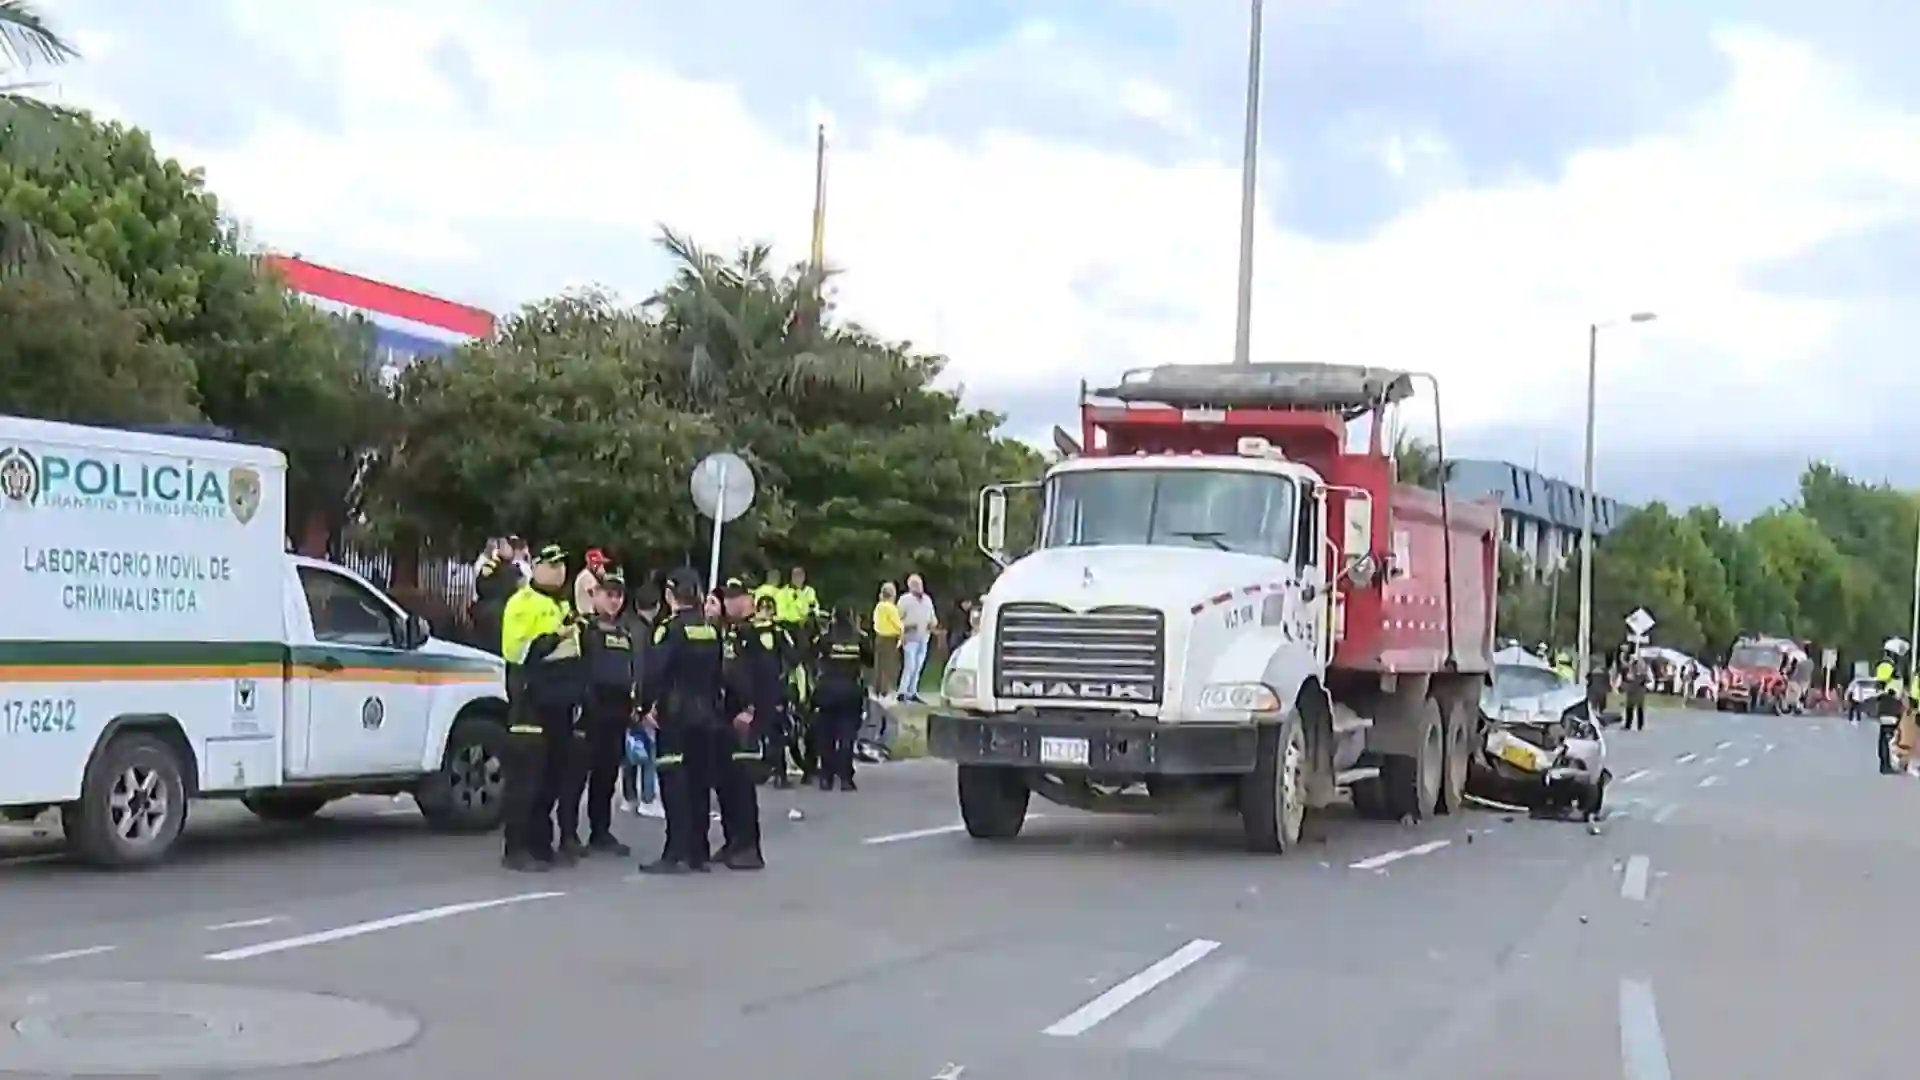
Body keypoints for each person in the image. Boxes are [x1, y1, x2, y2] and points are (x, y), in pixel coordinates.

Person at [498, 545, 587, 872]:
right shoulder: (522, 603)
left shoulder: (560, 605)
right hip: (530, 703)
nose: (560, 570)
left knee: (553, 778)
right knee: (527, 779)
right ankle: (517, 847)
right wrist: (554, 637)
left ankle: (541, 842)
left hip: (560, 704)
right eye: (552, 564)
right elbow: (518, 651)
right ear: (535, 568)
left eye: (563, 564)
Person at [638, 569, 726, 874]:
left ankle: (674, 852)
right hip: (707, 715)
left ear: (670, 595)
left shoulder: (669, 630)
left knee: (674, 782)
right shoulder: (711, 629)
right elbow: (718, 673)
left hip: (675, 716)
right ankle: (698, 852)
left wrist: (644, 706)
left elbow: (655, 672)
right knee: (699, 783)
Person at [558, 568, 636, 858]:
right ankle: (568, 834)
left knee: (605, 777)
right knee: (575, 777)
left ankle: (600, 832)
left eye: (618, 596)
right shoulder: (582, 629)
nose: (614, 601)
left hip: (616, 713)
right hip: (588, 713)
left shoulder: (623, 632)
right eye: (609, 594)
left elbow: (629, 671)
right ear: (595, 595)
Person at [717, 580, 777, 869]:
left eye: (736, 598)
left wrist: (753, 710)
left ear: (748, 599)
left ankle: (749, 847)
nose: (730, 603)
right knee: (727, 782)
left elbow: (766, 677)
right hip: (728, 715)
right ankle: (732, 841)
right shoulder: (732, 632)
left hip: (748, 717)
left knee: (743, 784)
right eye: (727, 598)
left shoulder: (758, 633)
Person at [619, 580, 665, 817]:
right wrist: (642, 704)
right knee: (648, 748)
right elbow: (642, 669)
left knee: (631, 747)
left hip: (624, 695)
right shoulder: (646, 633)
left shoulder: (626, 626)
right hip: (639, 698)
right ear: (657, 606)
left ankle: (630, 797)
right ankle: (648, 798)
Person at [813, 608, 873, 791]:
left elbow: (812, 653)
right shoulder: (859, 638)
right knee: (847, 736)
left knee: (827, 736)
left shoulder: (826, 637)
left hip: (828, 690)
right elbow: (869, 660)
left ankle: (826, 777)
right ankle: (846, 778)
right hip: (851, 690)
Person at [897, 573, 938, 702]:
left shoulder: (927, 599)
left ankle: (912, 691)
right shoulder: (904, 600)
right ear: (910, 586)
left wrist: (933, 623)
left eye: (919, 584)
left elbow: (932, 616)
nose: (918, 587)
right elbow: (897, 619)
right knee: (910, 664)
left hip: (924, 637)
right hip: (910, 637)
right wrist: (907, 626)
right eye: (915, 584)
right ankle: (902, 691)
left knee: (919, 665)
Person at [1874, 641, 1906, 775]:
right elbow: (1881, 681)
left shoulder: (1891, 665)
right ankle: (1885, 764)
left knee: (1889, 734)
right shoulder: (1887, 664)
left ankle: (1887, 763)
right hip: (1889, 702)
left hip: (1893, 702)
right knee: (1887, 735)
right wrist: (1891, 689)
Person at [872, 582, 903, 699]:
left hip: (879, 636)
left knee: (879, 664)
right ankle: (885, 690)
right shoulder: (891, 608)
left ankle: (877, 689)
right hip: (890, 638)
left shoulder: (879, 606)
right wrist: (902, 630)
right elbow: (897, 623)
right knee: (888, 665)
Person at [1623, 653, 1649, 731]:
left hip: (1638, 690)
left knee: (1639, 708)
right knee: (1629, 708)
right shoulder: (1629, 668)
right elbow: (1626, 677)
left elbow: (1645, 679)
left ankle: (1640, 725)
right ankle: (1628, 725)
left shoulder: (1642, 669)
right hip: (1631, 690)